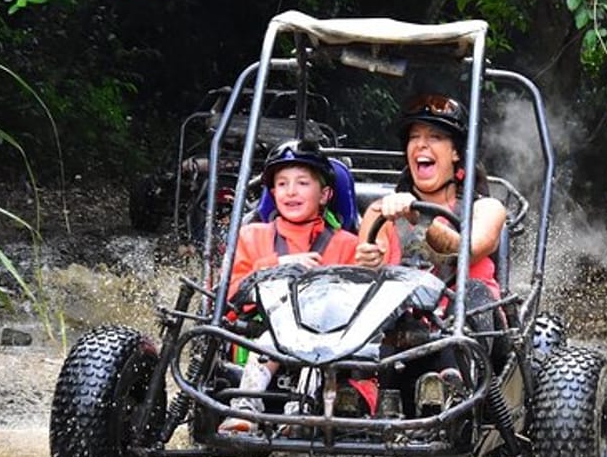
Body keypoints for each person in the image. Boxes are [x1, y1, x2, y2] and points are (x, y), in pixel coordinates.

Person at [354, 93, 508, 414]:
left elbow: (471, 248)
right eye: (415, 138)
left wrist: (422, 219)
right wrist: (369, 261)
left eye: (434, 137)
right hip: (402, 341)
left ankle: (457, 384)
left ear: (455, 154)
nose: (421, 145)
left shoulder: (486, 208)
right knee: (375, 297)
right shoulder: (381, 212)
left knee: (476, 291)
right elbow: (369, 268)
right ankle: (356, 393)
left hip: (473, 336)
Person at [218, 139, 359, 434]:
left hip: (328, 340)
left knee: (319, 348)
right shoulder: (251, 237)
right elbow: (231, 298)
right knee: (270, 342)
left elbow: (359, 304)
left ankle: (301, 410)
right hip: (266, 332)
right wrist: (277, 264)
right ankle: (245, 407)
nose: (291, 191)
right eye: (282, 184)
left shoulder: (347, 245)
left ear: (325, 194)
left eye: (302, 183)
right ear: (272, 193)